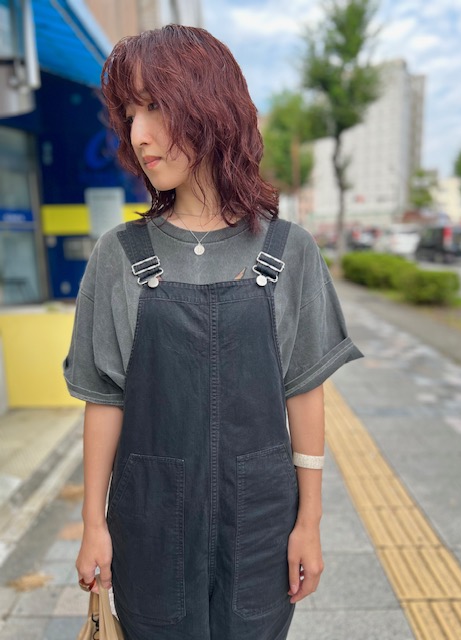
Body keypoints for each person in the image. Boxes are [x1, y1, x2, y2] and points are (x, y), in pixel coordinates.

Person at [64, 24, 362, 640]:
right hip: (147, 525)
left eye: (155, 106)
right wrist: (94, 522)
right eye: (130, 115)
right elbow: (105, 399)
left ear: (209, 104)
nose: (138, 134)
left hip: (260, 526)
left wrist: (309, 522)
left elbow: (304, 392)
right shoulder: (118, 255)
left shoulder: (289, 250)